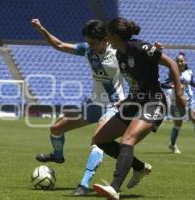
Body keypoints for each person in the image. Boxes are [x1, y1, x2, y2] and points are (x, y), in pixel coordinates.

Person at [31, 18, 157, 196]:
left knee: (97, 140)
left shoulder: (119, 52)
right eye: (88, 42)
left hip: (115, 105)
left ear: (106, 39)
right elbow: (59, 45)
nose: (90, 45)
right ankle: (58, 156)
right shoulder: (87, 50)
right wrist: (41, 29)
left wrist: (156, 53)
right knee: (56, 128)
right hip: (94, 103)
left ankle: (84, 184)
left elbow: (141, 57)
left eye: (93, 42)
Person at [91, 17, 187, 200]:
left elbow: (172, 64)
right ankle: (139, 168)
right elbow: (137, 82)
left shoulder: (139, 47)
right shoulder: (120, 54)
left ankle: (114, 188)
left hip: (154, 101)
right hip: (135, 102)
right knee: (101, 139)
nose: (105, 38)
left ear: (113, 35)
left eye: (107, 34)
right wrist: (127, 100)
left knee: (128, 139)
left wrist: (180, 93)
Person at [162, 52, 195, 154]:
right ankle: (172, 144)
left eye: (181, 61)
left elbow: (191, 81)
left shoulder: (189, 72)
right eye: (178, 61)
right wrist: (173, 86)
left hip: (189, 101)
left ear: (185, 62)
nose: (179, 63)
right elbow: (163, 84)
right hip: (177, 103)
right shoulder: (172, 72)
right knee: (178, 125)